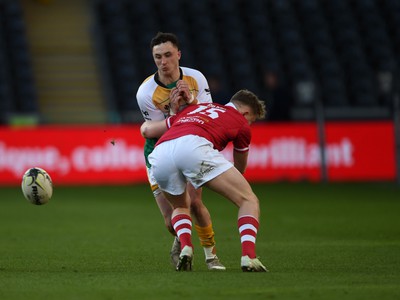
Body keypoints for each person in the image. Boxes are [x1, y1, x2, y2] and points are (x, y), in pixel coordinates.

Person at [141, 89, 268, 272]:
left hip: (160, 152)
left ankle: (186, 247)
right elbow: (240, 168)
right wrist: (217, 179)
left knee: (180, 206)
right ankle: (249, 256)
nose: (249, 123)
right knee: (248, 199)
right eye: (251, 120)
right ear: (246, 113)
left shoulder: (196, 109)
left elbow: (148, 129)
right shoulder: (241, 122)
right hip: (194, 147)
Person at [136, 32, 225, 270]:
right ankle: (180, 237)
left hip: (190, 147)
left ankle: (211, 256)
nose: (163, 62)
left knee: (194, 203)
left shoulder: (196, 78)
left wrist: (192, 102)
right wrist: (175, 113)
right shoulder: (146, 93)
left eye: (167, 55)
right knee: (170, 219)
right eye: (157, 57)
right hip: (159, 152)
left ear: (178, 54)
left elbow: (208, 117)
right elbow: (157, 132)